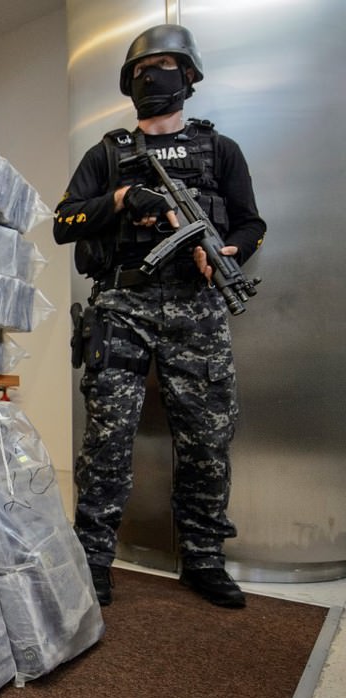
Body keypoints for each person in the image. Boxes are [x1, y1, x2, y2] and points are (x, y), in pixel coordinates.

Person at [54, 24, 266, 608]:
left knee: (207, 438)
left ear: (189, 77)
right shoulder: (107, 154)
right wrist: (123, 199)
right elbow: (63, 222)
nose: (154, 77)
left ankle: (203, 558)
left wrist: (227, 252)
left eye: (166, 67)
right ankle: (93, 559)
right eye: (143, 70)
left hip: (198, 307)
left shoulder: (220, 150)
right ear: (130, 83)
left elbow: (252, 222)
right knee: (107, 438)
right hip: (122, 305)